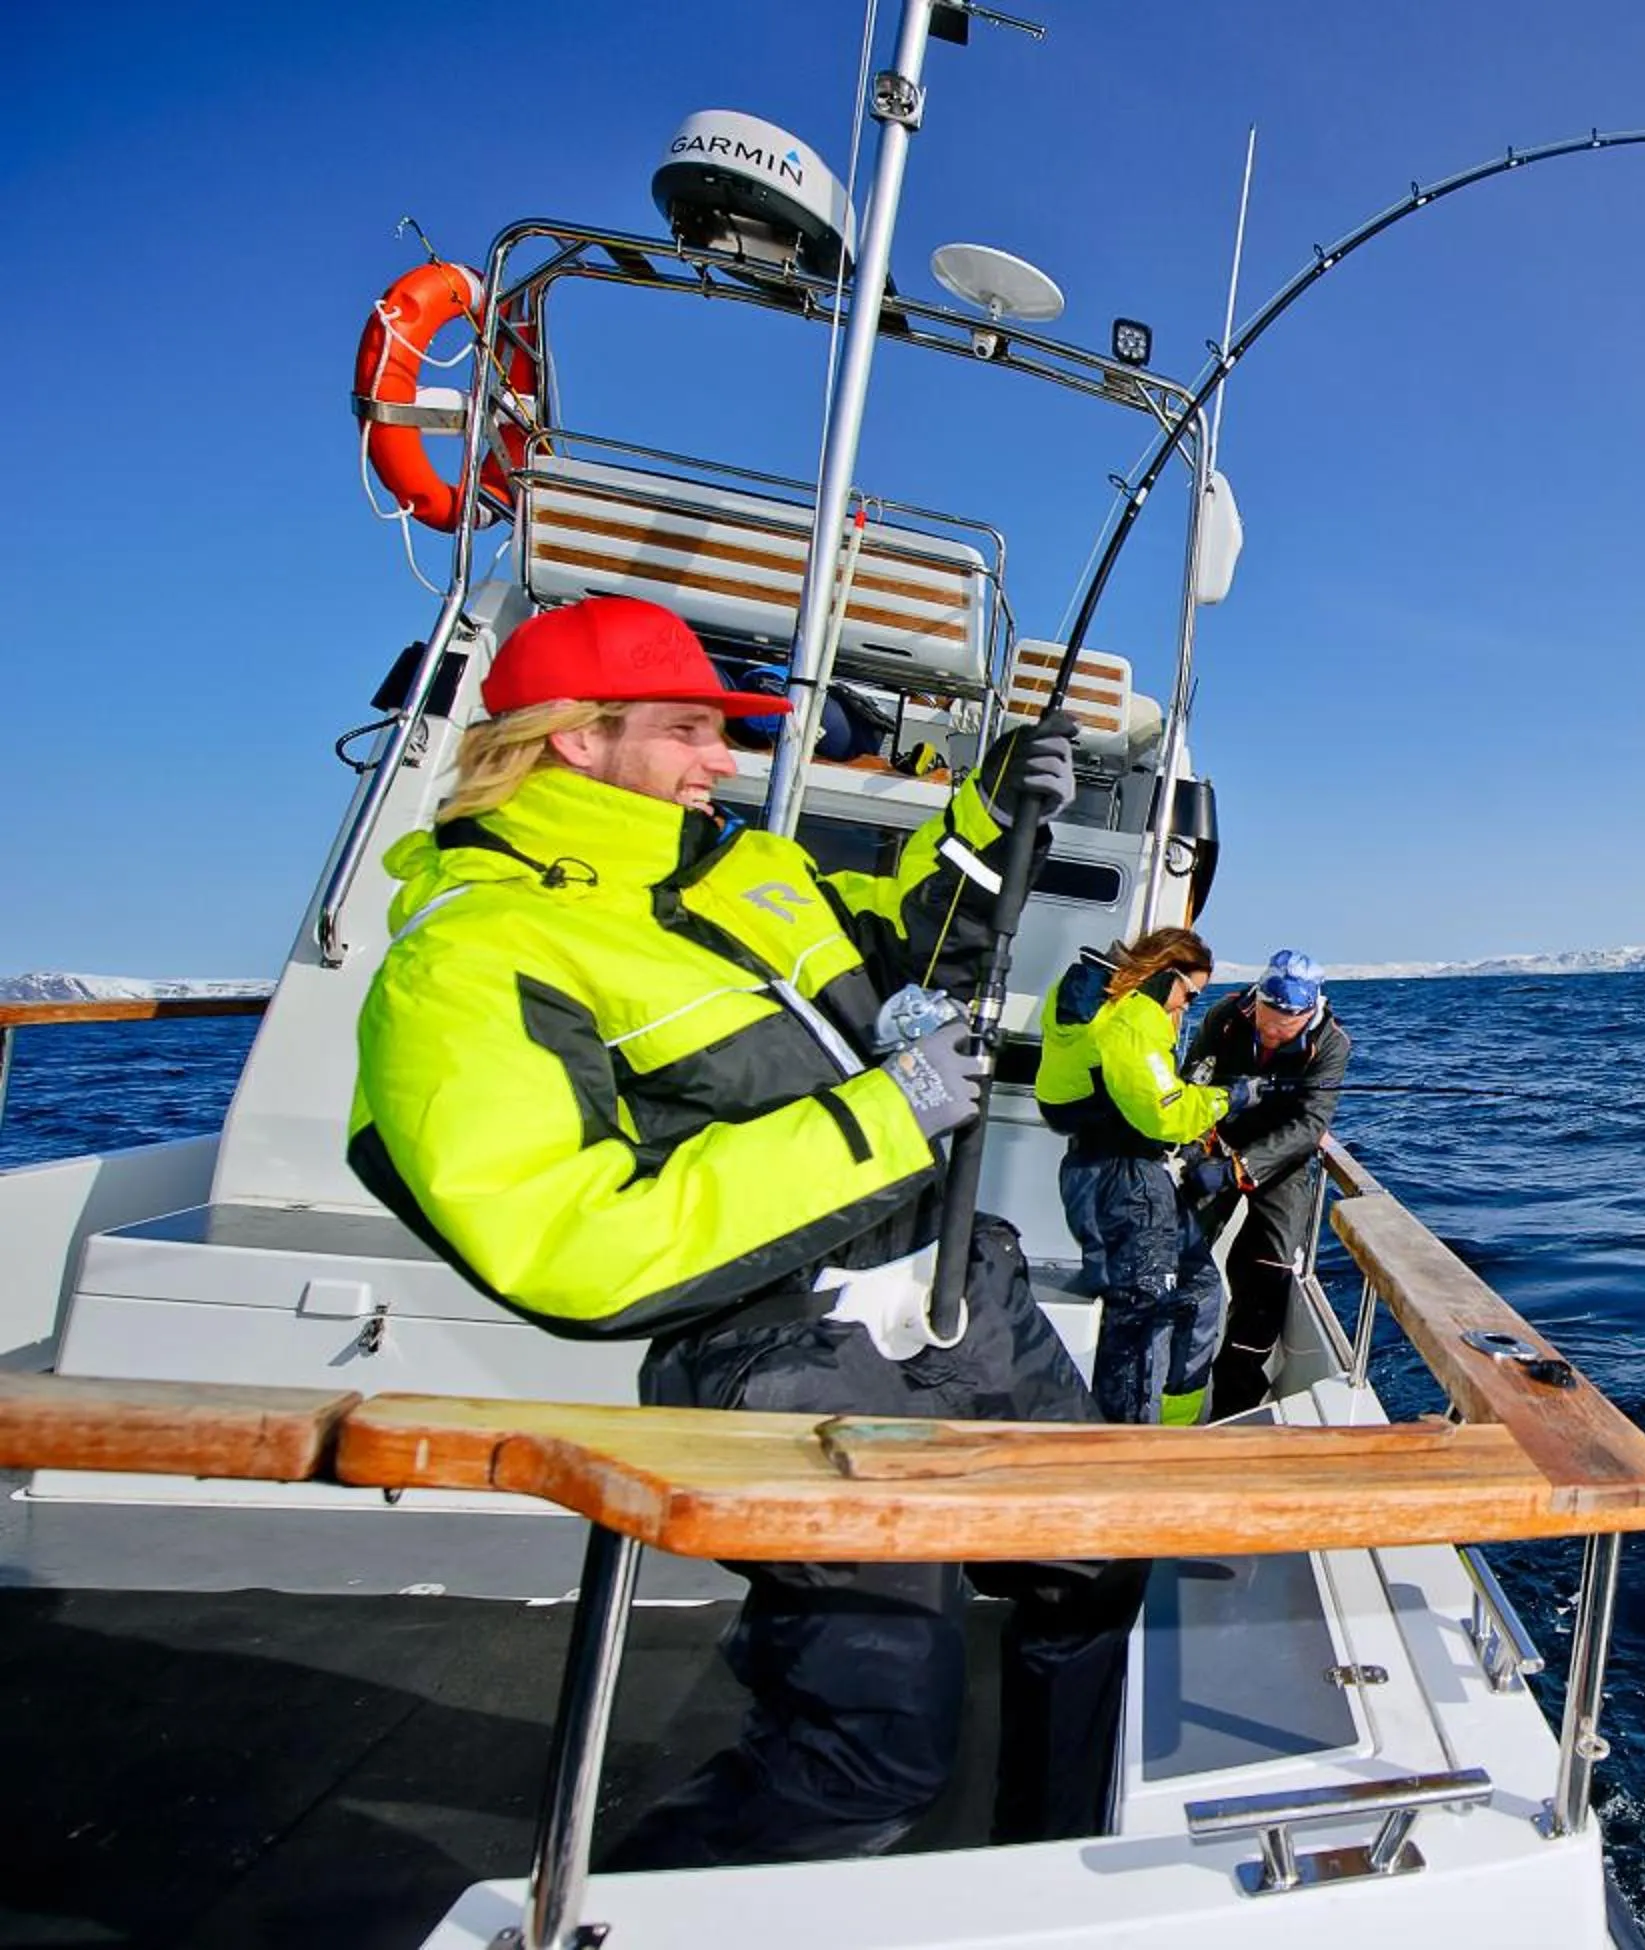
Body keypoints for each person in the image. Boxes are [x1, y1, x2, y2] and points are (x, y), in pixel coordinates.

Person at [346, 593, 1139, 1866]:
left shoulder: (753, 868)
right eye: (690, 730)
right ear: (571, 740)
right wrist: (891, 1114)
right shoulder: (470, 957)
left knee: (1099, 1569)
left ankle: (1050, 1867)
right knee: (872, 1749)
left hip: (956, 1291)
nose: (726, 759)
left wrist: (996, 817)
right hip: (783, 1358)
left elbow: (911, 939)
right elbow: (568, 1243)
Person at [1033, 927, 1261, 1426]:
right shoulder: (1136, 1015)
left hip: (1104, 1175)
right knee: (1143, 1323)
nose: (1185, 1008)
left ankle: (1177, 1430)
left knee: (1201, 1292)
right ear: (1167, 972)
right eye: (1189, 994)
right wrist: (1232, 1098)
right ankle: (1130, 1451)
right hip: (1125, 1183)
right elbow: (1167, 1115)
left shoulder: (1088, 996)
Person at [1181, 950, 1352, 1420]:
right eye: (1266, 1020)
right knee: (1180, 1245)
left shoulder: (1333, 1044)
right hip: (1220, 1139)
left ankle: (1234, 1402)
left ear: (1309, 1014)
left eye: (1285, 1028)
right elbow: (1193, 1080)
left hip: (1282, 1161)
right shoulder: (1225, 1015)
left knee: (1267, 1274)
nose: (1272, 1032)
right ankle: (1175, 1367)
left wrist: (1244, 1166)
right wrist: (1200, 1147)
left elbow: (1310, 1123)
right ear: (1256, 1000)